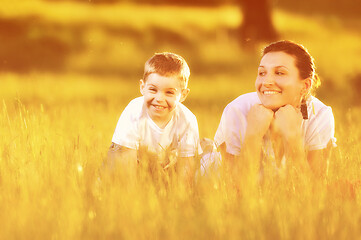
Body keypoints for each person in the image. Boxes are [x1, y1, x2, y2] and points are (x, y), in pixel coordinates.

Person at [214, 40, 336, 179]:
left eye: (279, 73)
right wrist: (253, 135)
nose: (266, 82)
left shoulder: (319, 115)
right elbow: (232, 191)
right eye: (262, 73)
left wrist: (293, 137)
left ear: (305, 85)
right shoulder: (237, 110)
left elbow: (314, 192)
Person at [107, 52, 201, 181]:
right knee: (113, 169)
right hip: (130, 164)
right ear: (142, 87)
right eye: (153, 90)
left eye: (169, 93)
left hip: (164, 168)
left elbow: (186, 166)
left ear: (183, 95)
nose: (159, 98)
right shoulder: (134, 112)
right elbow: (126, 164)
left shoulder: (187, 120)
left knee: (207, 155)